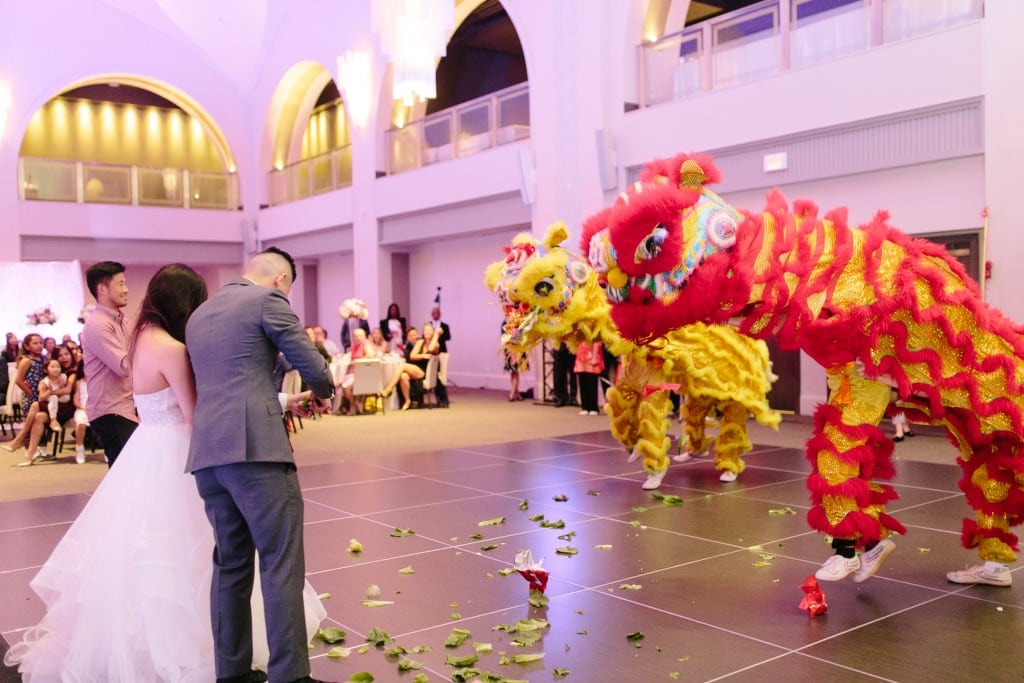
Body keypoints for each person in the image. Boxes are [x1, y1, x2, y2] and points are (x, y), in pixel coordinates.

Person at [3, 262, 327, 681]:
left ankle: (230, 668)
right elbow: (199, 411)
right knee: (238, 558)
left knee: (212, 561)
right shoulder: (173, 348)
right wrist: (279, 402)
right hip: (193, 450)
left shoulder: (140, 342)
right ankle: (281, 672)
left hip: (151, 450)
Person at [186, 247, 335, 683]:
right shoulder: (268, 301)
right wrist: (325, 386)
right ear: (282, 280)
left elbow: (232, 379)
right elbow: (315, 369)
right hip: (256, 452)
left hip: (208, 454)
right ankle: (289, 676)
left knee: (230, 565)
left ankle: (231, 673)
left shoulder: (201, 314)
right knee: (280, 561)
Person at [80, 261, 137, 467]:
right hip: (111, 410)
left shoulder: (123, 321)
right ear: (102, 289)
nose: (126, 289)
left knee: (132, 473)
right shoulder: (98, 325)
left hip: (125, 407)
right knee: (126, 474)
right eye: (121, 284)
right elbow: (124, 366)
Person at [338, 327, 376, 415]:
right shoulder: (353, 345)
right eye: (355, 336)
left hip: (362, 373)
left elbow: (370, 355)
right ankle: (354, 404)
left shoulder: (366, 344)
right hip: (352, 372)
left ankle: (352, 406)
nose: (357, 338)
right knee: (340, 384)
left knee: (345, 386)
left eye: (359, 336)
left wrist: (357, 361)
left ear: (364, 336)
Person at [574, 340, 605, 415]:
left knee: (592, 381)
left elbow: (597, 341)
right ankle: (585, 407)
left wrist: (594, 357)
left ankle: (593, 407)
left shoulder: (594, 328)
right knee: (582, 380)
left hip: (592, 354)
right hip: (581, 354)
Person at [430, 305, 451, 407]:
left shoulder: (445, 326)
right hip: (431, 353)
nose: (436, 314)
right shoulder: (428, 326)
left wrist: (437, 336)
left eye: (437, 312)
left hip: (441, 351)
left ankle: (443, 398)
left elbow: (448, 337)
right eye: (434, 312)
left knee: (441, 374)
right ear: (431, 314)